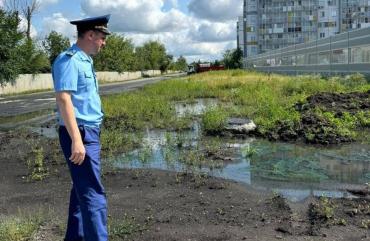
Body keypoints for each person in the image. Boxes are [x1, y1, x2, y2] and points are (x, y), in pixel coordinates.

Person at [52, 14, 111, 241]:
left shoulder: (85, 60)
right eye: (101, 37)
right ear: (90, 35)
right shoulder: (68, 60)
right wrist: (76, 140)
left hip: (90, 131)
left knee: (81, 190)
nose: (103, 42)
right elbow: (64, 99)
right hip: (81, 133)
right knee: (93, 194)